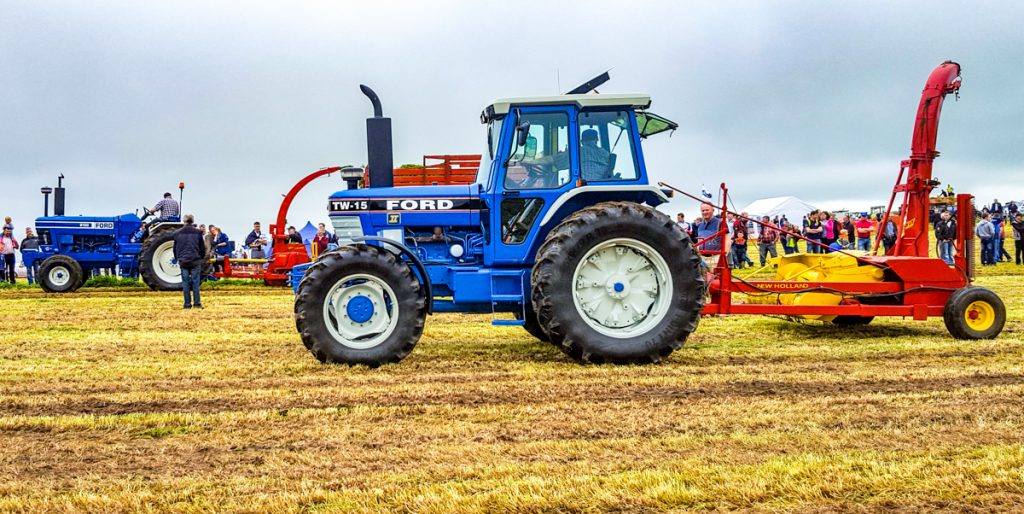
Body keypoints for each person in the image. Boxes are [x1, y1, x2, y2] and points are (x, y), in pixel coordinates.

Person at [172, 214, 205, 309]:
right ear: (192, 221)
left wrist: (177, 258)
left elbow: (175, 248)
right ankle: (197, 303)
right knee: (195, 282)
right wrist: (201, 257)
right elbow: (202, 247)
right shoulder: (198, 232)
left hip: (183, 261)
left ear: (184, 221)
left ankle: (187, 304)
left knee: (185, 282)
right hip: (195, 260)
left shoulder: (177, 233)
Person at [695, 202, 728, 269]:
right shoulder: (700, 225)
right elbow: (699, 241)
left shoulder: (720, 223)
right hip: (702, 258)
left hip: (715, 258)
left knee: (715, 275)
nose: (704, 212)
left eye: (707, 210)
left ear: (713, 210)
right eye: (703, 210)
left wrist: (723, 256)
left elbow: (727, 241)